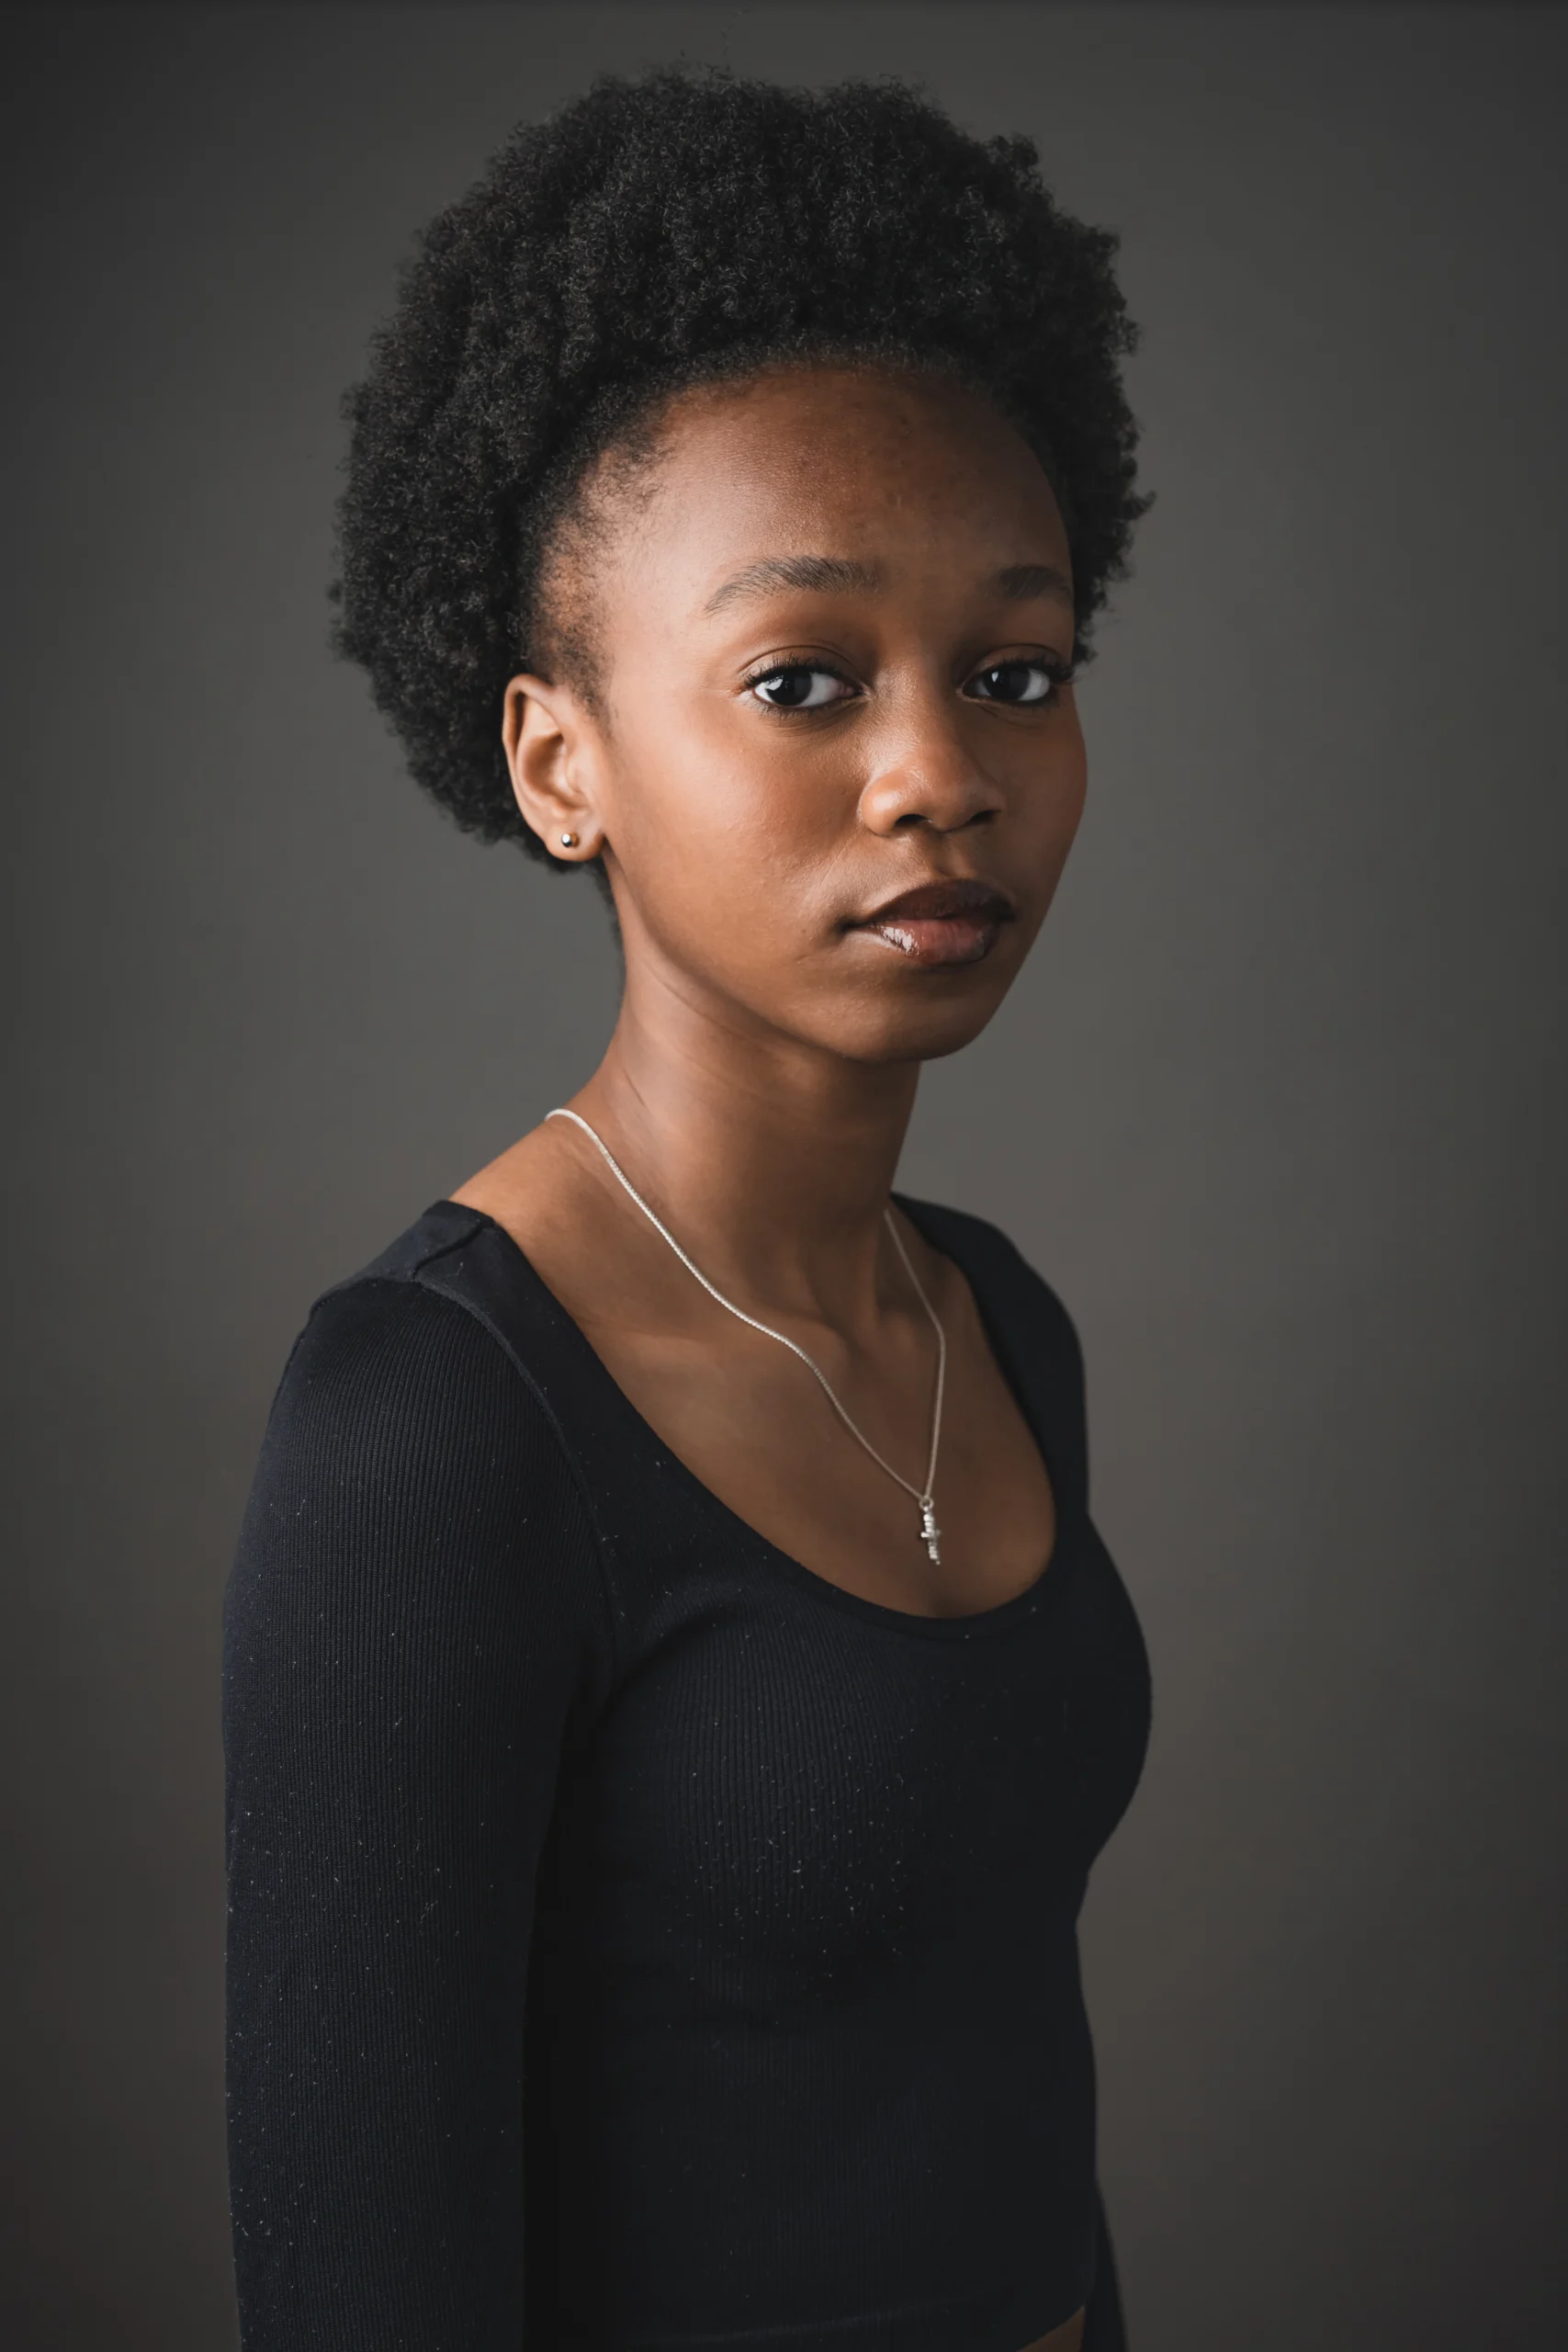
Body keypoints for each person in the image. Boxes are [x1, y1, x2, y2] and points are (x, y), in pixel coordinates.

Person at [223, 66, 1154, 2352]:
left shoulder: (993, 1328)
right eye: (803, 678)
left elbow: (1005, 2094)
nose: (940, 768)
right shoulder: (438, 1423)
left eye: (1013, 671)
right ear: (563, 761)